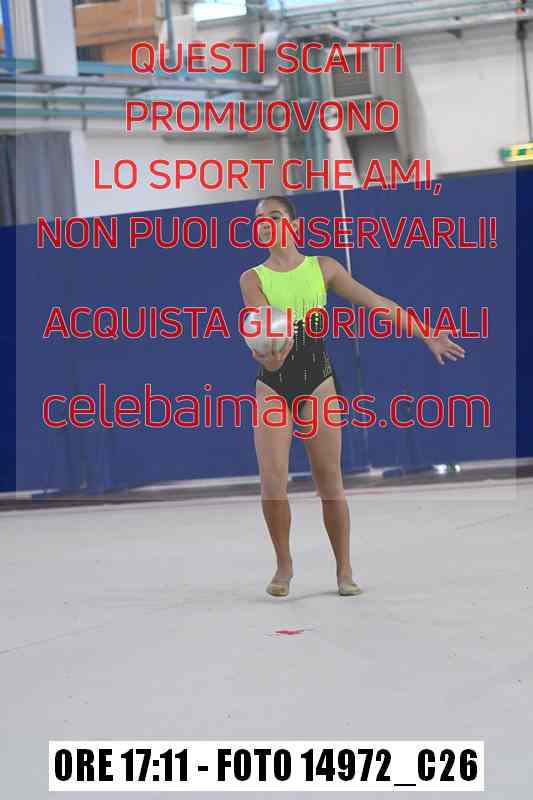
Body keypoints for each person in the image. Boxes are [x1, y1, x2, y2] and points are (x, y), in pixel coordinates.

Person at [239, 195, 466, 598]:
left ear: (294, 224)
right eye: (260, 220)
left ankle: (344, 569)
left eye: (275, 216)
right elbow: (263, 331)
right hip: (273, 383)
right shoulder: (252, 278)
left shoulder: (323, 268)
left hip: (317, 381)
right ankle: (284, 565)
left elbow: (376, 302)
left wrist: (425, 333)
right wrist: (269, 355)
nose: (267, 223)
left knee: (330, 482)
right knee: (272, 482)